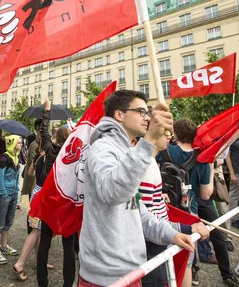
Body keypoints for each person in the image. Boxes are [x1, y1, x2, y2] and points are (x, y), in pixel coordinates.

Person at [79, 90, 195, 287]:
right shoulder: (103, 148)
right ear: (119, 115)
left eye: (147, 112)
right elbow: (112, 192)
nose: (147, 117)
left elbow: (136, 211)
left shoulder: (128, 152)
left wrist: (171, 234)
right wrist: (148, 141)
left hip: (131, 271)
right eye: (141, 111)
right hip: (106, 276)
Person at [158, 118, 239, 287]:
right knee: (185, 263)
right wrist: (210, 170)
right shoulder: (202, 159)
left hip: (163, 209)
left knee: (161, 259)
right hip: (189, 212)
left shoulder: (164, 151)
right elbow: (205, 194)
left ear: (175, 133)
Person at [139, 130, 209, 287]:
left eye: (170, 132)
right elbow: (147, 220)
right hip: (152, 247)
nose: (169, 136)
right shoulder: (147, 166)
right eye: (164, 131)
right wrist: (185, 228)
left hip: (156, 242)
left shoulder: (151, 164)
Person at [37, 98, 74, 287]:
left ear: (56, 138)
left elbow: (43, 131)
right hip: (67, 202)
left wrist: (47, 111)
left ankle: (42, 281)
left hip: (51, 200)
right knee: (68, 244)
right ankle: (68, 284)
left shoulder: (50, 149)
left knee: (45, 241)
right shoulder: (73, 154)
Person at [12, 133, 49, 282]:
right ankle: (20, 263)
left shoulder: (38, 157)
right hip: (42, 197)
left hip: (36, 193)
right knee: (36, 231)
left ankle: (41, 261)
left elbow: (29, 173)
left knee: (37, 230)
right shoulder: (51, 158)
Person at [0, 135, 22, 264]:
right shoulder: (4, 158)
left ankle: (4, 246)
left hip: (13, 193)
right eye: (19, 142)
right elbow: (0, 178)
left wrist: (16, 191)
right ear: (12, 143)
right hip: (4, 194)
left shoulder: (16, 157)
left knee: (8, 221)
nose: (21, 144)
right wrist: (3, 193)